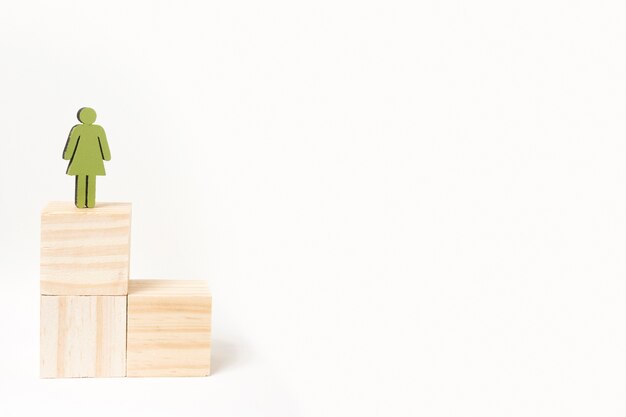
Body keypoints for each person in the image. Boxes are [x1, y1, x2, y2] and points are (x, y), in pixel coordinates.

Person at [62, 107, 111, 208]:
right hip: (93, 160)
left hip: (81, 160)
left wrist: (67, 156)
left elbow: (71, 144)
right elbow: (104, 145)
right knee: (90, 179)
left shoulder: (79, 129)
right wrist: (106, 156)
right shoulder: (98, 129)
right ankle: (89, 202)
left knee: (82, 179)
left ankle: (81, 202)